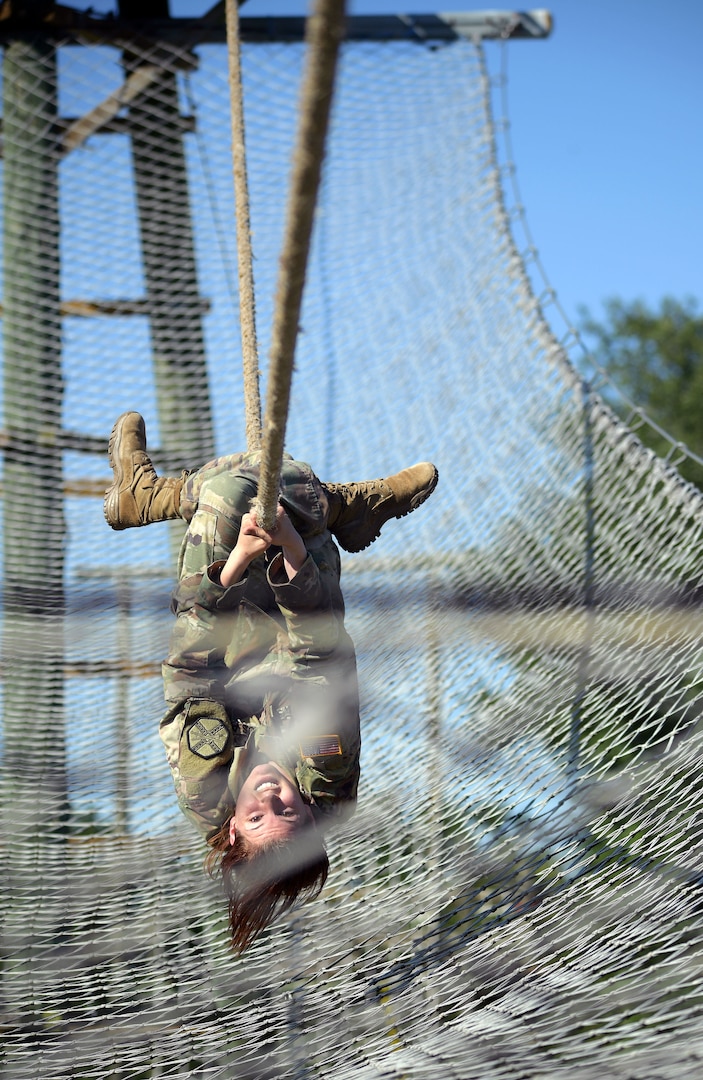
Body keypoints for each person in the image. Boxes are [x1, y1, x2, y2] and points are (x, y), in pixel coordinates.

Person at [105, 412, 438, 951]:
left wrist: (237, 561)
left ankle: (149, 496)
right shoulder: (326, 775)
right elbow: (322, 659)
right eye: (287, 811)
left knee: (226, 497)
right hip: (303, 619)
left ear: (233, 829)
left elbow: (190, 669)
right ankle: (336, 510)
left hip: (225, 623)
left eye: (259, 817)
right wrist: (290, 553)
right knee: (278, 487)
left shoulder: (204, 790)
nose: (270, 797)